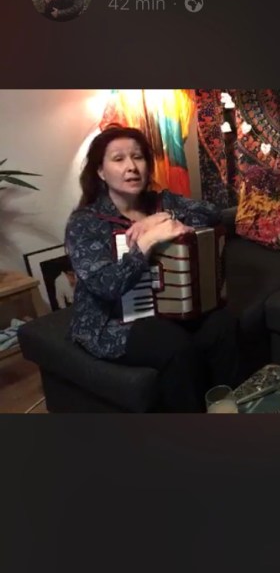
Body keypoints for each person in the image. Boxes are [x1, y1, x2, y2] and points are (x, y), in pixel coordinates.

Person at [66, 126, 238, 411]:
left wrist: (163, 217)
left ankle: (227, 410)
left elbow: (213, 213)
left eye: (138, 157)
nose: (131, 167)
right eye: (118, 159)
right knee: (173, 345)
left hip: (172, 309)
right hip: (114, 321)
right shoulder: (85, 222)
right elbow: (106, 286)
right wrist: (145, 244)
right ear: (100, 171)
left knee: (223, 325)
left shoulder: (161, 202)